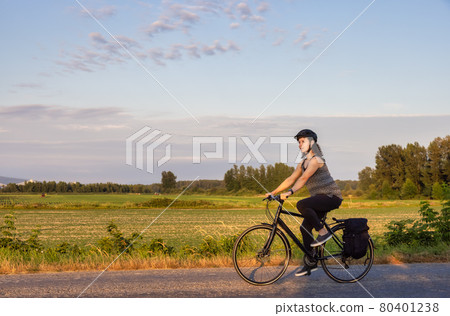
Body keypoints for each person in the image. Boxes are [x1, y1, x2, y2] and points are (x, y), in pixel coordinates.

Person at [265, 129, 343, 276]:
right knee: (304, 228)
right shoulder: (303, 162)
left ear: (312, 142)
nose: (299, 144)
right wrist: (273, 193)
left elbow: (303, 179)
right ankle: (311, 262)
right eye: (299, 142)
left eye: (303, 141)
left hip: (331, 197)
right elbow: (291, 178)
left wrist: (290, 192)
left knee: (302, 204)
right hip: (319, 199)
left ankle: (323, 232)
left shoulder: (317, 160)